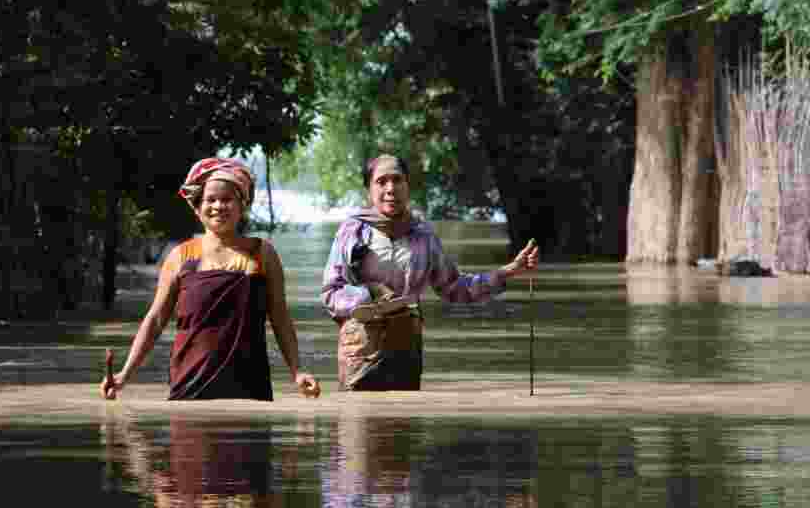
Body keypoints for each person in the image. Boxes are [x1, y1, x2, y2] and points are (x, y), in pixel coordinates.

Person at [102, 157, 321, 401]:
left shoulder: (262, 254)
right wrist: (124, 375)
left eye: (227, 199)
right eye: (210, 199)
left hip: (250, 388)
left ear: (242, 205)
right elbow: (155, 320)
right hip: (189, 385)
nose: (218, 206)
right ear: (197, 206)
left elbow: (280, 317)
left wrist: (297, 371)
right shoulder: (180, 257)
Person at [322, 154, 539, 391]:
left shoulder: (423, 235)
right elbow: (331, 294)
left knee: (404, 425)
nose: (390, 188)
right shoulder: (352, 231)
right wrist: (368, 297)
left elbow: (455, 287)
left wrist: (507, 272)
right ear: (368, 190)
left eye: (397, 180)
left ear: (408, 186)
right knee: (359, 423)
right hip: (359, 353)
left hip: (405, 351)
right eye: (381, 181)